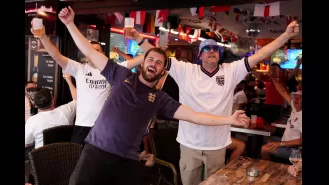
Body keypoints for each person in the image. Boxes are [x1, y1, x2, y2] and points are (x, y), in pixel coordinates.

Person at [58, 6, 249, 185]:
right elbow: (89, 52)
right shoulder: (120, 74)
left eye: (159, 63)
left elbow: (196, 116)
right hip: (96, 151)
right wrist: (69, 24)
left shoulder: (160, 98)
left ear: (162, 71)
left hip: (127, 159)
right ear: (142, 63)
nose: (153, 64)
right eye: (150, 59)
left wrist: (229, 119)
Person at [128, 18, 299, 184]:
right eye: (207, 49)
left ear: (219, 55)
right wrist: (137, 38)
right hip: (189, 145)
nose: (212, 51)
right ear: (200, 56)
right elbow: (157, 56)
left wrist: (285, 36)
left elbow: (260, 55)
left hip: (217, 146)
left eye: (215, 49)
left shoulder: (231, 71)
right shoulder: (186, 71)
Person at [30, 24, 141, 145]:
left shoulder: (113, 69)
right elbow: (56, 55)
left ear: (102, 54)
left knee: (102, 162)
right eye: (90, 51)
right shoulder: (79, 69)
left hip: (105, 127)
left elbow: (138, 60)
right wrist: (43, 37)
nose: (93, 54)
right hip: (82, 126)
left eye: (97, 51)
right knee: (77, 161)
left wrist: (144, 43)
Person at [25, 74, 77, 149]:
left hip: (41, 158)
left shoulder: (32, 121)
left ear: (36, 104)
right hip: (66, 154)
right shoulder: (66, 111)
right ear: (52, 101)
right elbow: (77, 100)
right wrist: (69, 81)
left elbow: (27, 143)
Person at [260, 78, 302, 160]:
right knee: (261, 139)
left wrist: (280, 144)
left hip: (295, 150)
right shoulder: (295, 107)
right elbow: (282, 91)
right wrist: (273, 78)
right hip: (284, 142)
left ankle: (268, 169)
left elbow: (300, 141)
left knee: (264, 149)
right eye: (295, 96)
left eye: (299, 97)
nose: (296, 99)